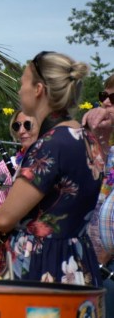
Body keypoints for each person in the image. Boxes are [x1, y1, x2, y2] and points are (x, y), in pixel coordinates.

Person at [0, 51, 102, 286]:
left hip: (43, 266)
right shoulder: (88, 139)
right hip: (78, 261)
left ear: (38, 89)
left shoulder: (49, 145)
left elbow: (5, 218)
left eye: (22, 83)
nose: (19, 90)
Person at [84, 73, 114, 308]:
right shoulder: (110, 152)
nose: (105, 103)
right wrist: (98, 139)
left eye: (113, 99)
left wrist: (109, 252)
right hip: (98, 262)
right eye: (103, 96)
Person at [0, 109, 40, 209]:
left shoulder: (53, 162)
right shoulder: (5, 167)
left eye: (28, 125)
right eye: (17, 126)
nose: (21, 131)